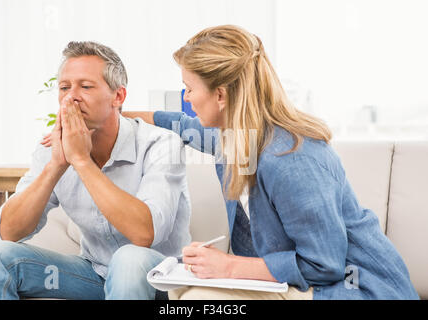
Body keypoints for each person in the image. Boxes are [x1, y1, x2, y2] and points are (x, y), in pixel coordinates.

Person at [123, 25, 419, 300]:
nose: (187, 97)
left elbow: (324, 264)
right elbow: (179, 124)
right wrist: (115, 117)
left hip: (351, 287)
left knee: (202, 300)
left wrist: (228, 266)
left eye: (189, 88)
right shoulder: (235, 137)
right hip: (300, 283)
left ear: (221, 95)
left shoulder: (291, 160)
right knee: (186, 288)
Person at [0, 41, 191, 300]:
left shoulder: (161, 144)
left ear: (118, 96)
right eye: (65, 87)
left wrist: (81, 161)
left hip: (158, 277)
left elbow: (144, 233)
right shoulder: (53, 148)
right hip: (92, 274)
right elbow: (6, 233)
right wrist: (56, 165)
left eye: (86, 86)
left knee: (129, 259)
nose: (70, 97)